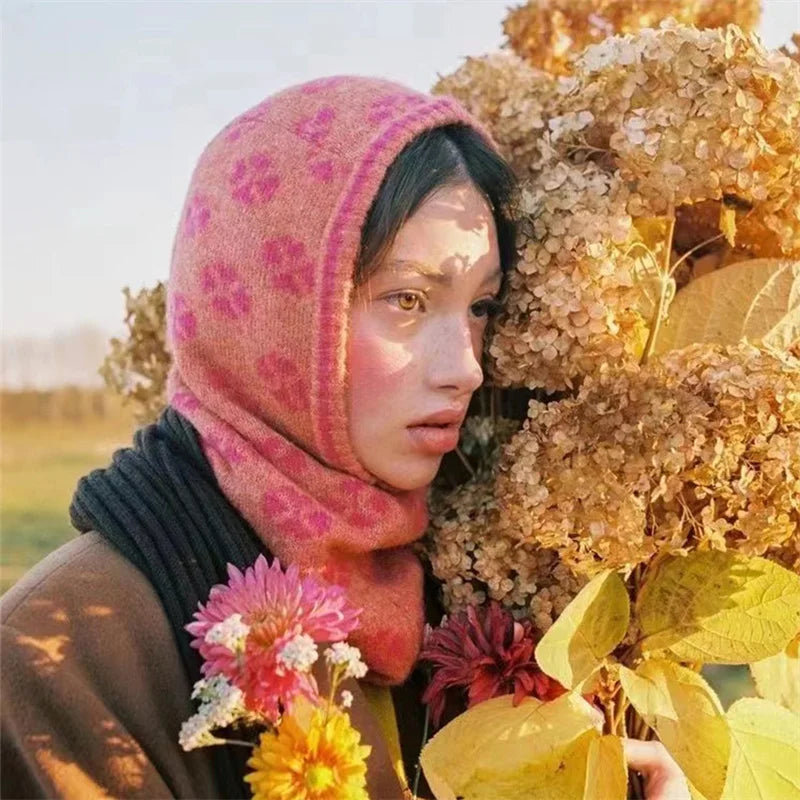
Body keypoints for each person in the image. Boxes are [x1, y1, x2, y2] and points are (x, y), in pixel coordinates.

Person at [1, 75, 689, 799]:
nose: (464, 367)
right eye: (407, 300)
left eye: (480, 306)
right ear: (270, 310)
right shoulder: (61, 660)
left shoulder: (482, 604)